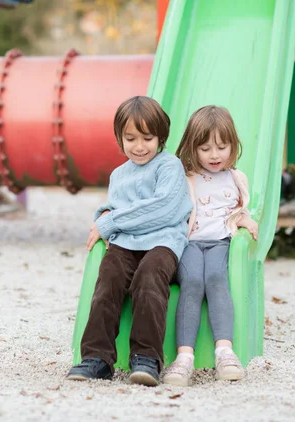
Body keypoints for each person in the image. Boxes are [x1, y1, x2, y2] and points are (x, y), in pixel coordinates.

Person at [66, 96, 193, 386]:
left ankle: (147, 358)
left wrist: (110, 221)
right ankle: (97, 359)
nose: (139, 146)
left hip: (162, 242)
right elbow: (115, 208)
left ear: (160, 137)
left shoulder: (169, 166)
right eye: (130, 138)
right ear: (119, 138)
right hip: (126, 244)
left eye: (147, 138)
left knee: (148, 279)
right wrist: (106, 216)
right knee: (108, 278)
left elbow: (163, 209)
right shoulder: (119, 174)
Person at [162, 105, 258, 386]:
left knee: (216, 278)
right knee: (192, 282)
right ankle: (184, 358)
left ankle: (224, 351)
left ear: (233, 145)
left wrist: (244, 220)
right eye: (205, 148)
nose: (214, 155)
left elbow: (238, 209)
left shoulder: (235, 178)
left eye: (222, 147)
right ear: (192, 147)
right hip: (190, 243)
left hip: (220, 242)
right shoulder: (185, 176)